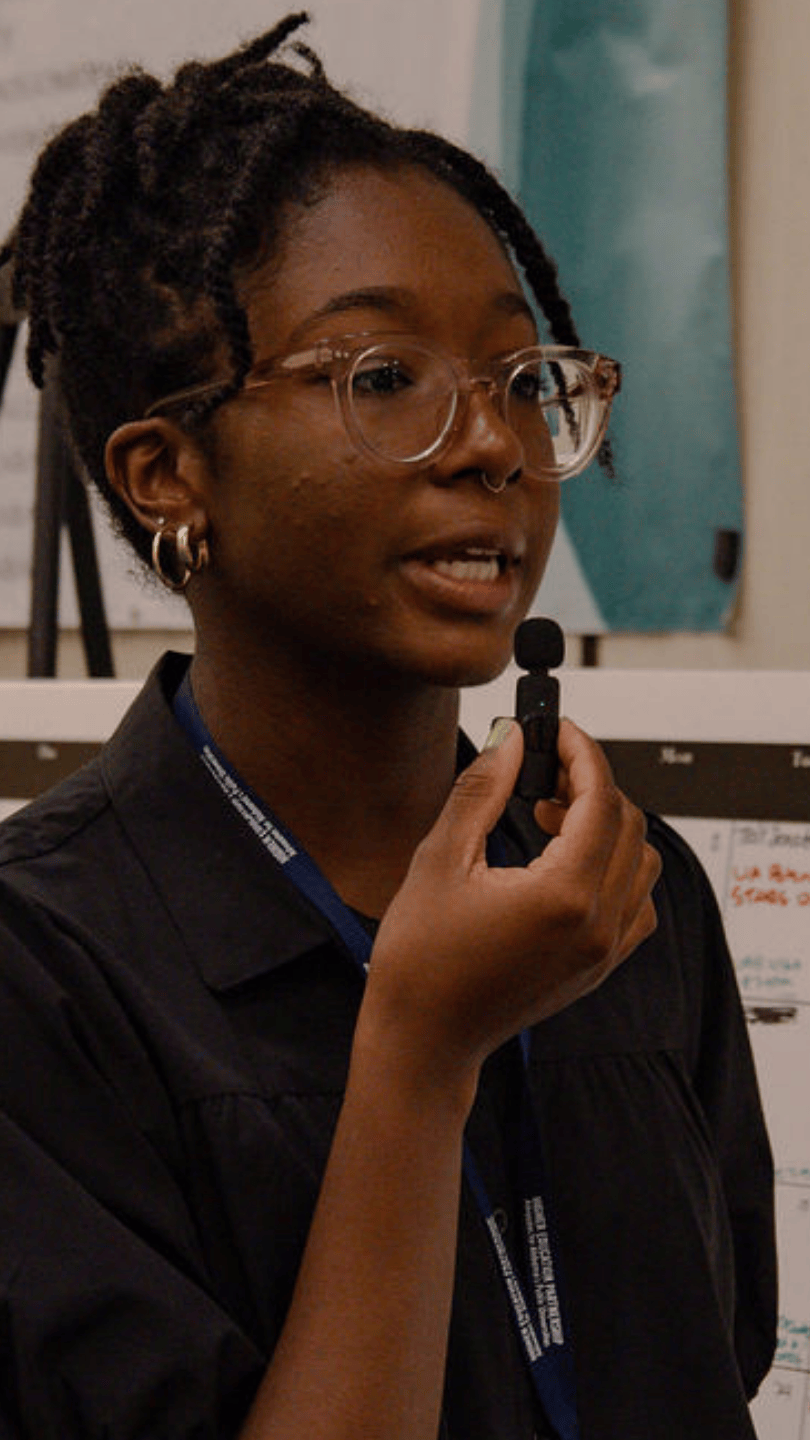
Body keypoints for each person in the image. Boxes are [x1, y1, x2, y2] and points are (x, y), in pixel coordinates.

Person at [0, 13, 775, 1439]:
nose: (494, 444)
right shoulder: (47, 979)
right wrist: (418, 1058)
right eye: (381, 379)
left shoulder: (615, 888)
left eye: (520, 375)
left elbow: (709, 1354)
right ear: (170, 474)